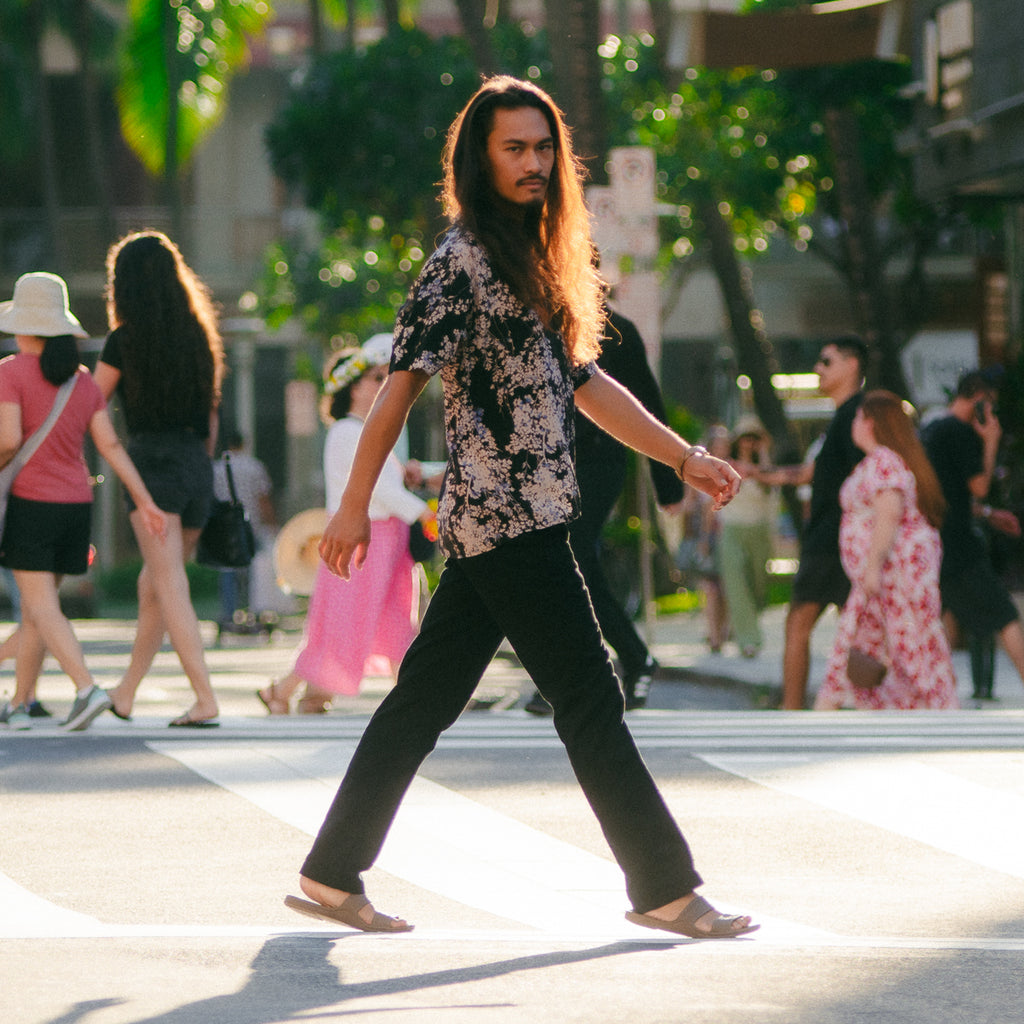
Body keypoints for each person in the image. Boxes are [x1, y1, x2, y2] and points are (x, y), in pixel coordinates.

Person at [284, 76, 756, 941]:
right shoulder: (460, 262)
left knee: (422, 701)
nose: (535, 163)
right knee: (589, 697)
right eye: (516, 149)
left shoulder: (535, 259)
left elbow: (588, 385)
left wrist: (684, 457)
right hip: (509, 523)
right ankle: (663, 885)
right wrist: (352, 507)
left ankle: (329, 870)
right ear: (480, 159)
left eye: (545, 148)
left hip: (512, 520)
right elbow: (397, 390)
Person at [0, 272, 166, 731]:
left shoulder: (10, 373)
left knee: (41, 606)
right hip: (76, 505)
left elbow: (8, 439)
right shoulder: (82, 382)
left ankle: (86, 688)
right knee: (40, 607)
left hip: (32, 504)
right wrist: (146, 501)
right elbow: (111, 447)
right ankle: (20, 703)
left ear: (25, 326)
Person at [258, 335, 432, 715]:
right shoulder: (346, 432)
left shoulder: (372, 429)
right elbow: (381, 491)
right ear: (352, 389)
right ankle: (294, 691)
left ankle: (411, 694)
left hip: (387, 539)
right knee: (345, 621)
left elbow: (392, 483)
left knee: (396, 618)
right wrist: (423, 513)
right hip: (362, 541)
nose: (383, 384)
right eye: (374, 378)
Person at [523, 307, 684, 715]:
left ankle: (575, 674)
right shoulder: (536, 321)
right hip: (549, 463)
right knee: (563, 561)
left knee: (571, 555)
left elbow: (647, 404)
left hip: (599, 460)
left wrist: (669, 480)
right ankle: (630, 659)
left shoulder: (617, 329)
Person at [94, 232, 226, 728]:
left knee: (169, 585)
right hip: (196, 464)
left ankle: (205, 698)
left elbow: (90, 403)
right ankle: (125, 693)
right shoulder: (199, 334)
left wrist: (111, 447)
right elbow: (212, 416)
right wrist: (199, 467)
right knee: (155, 584)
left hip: (152, 463)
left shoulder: (124, 341)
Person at [814, 391, 957, 709]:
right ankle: (927, 703)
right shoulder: (883, 460)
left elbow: (889, 512)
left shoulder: (883, 461)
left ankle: (831, 704)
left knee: (907, 638)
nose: (853, 424)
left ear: (871, 423)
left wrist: (873, 567)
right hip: (887, 573)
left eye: (858, 417)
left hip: (892, 573)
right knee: (892, 640)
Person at [756, 335, 866, 709]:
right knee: (856, 630)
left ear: (852, 365)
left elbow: (865, 474)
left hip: (831, 541)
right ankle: (841, 703)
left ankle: (792, 711)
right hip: (837, 540)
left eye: (826, 360)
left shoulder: (854, 415)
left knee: (798, 623)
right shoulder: (843, 418)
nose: (818, 368)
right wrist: (753, 473)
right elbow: (807, 474)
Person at [922, 371, 1024, 694]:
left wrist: (989, 515)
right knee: (1005, 615)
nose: (991, 410)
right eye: (990, 402)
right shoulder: (960, 432)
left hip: (933, 540)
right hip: (959, 544)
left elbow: (949, 494)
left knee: (933, 621)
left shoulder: (932, 430)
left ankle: (933, 691)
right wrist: (991, 440)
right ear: (979, 396)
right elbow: (978, 487)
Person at [718, 415, 776, 659]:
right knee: (737, 585)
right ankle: (749, 640)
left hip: (758, 530)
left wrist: (763, 451)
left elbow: (769, 483)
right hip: (731, 529)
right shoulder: (726, 463)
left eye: (753, 438)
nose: (748, 443)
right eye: (745, 438)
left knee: (758, 585)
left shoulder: (763, 465)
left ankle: (747, 624)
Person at [212, 430, 277, 635]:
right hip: (250, 525)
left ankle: (229, 614)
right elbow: (263, 498)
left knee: (228, 571)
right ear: (243, 445)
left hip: (224, 526)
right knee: (251, 571)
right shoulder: (254, 467)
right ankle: (252, 611)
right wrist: (271, 522)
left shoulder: (217, 469)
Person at [678, 425, 730, 653]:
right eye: (719, 442)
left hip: (727, 532)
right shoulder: (699, 470)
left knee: (726, 585)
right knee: (710, 587)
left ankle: (724, 630)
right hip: (706, 535)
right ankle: (715, 635)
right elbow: (690, 505)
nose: (723, 446)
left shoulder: (734, 468)